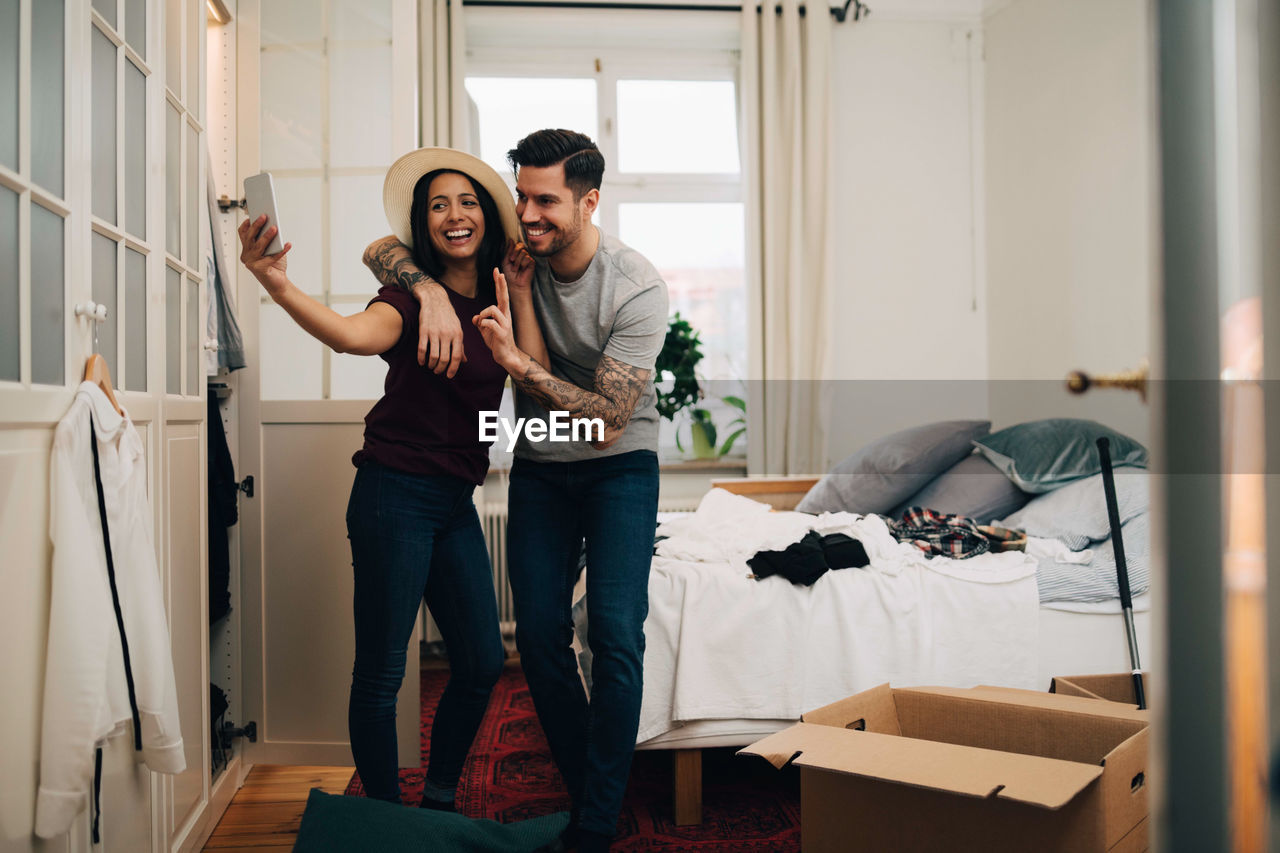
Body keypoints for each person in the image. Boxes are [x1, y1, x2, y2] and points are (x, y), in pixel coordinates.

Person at [364, 129, 668, 853]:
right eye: (522, 196)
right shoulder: (516, 248)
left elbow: (604, 423)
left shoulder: (636, 287)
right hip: (540, 468)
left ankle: (595, 821)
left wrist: (514, 364)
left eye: (546, 201)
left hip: (618, 465)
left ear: (590, 201)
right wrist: (430, 289)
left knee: (616, 637)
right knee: (536, 638)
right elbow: (383, 247)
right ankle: (583, 781)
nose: (527, 215)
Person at [238, 147, 534, 811]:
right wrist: (278, 283)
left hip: (456, 501)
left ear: (486, 215)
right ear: (423, 225)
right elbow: (349, 334)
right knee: (383, 670)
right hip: (392, 494)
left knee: (483, 660)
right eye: (436, 205)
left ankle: (435, 802)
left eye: (465, 202)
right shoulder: (405, 299)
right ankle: (382, 817)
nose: (453, 215)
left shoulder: (502, 289)